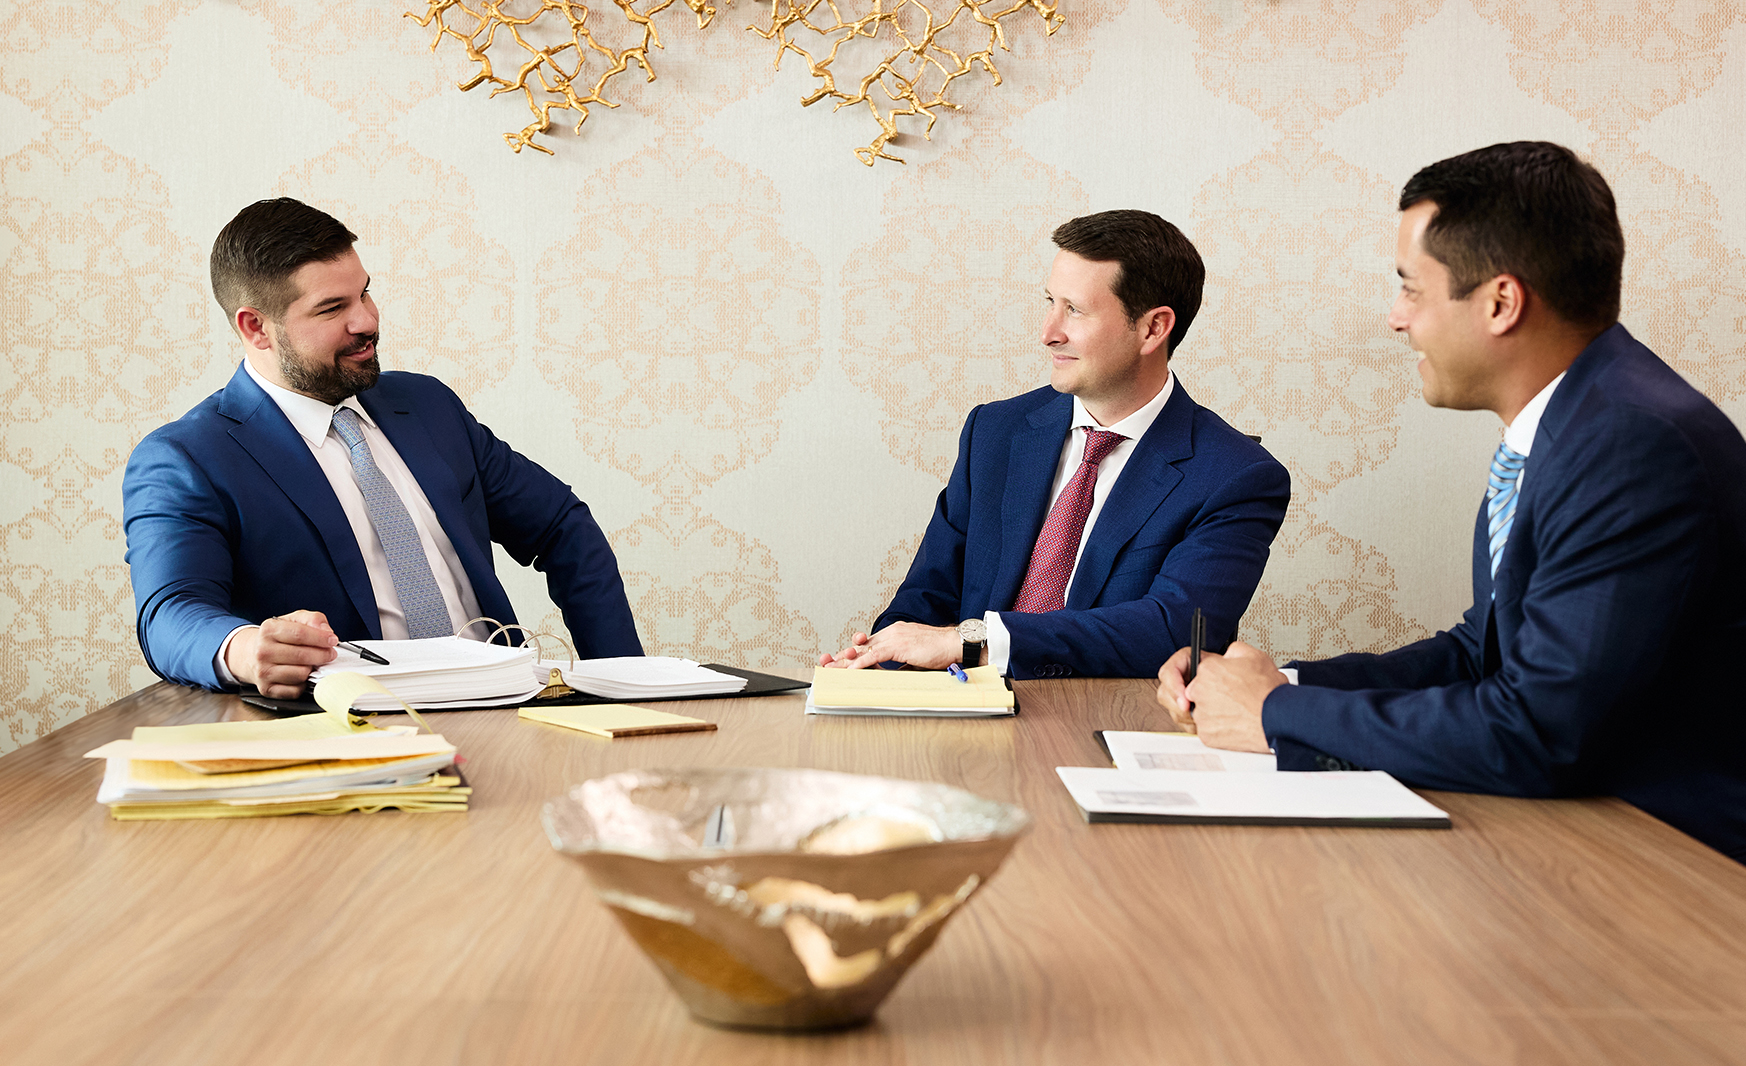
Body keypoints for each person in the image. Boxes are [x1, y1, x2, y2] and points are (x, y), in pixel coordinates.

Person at [1158, 142, 1746, 862]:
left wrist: (1276, 713)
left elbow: (1537, 731)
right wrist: (1282, 682)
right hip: (1583, 831)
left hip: (1673, 863)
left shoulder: (1628, 444)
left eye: (1411, 288)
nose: (1395, 319)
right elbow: (1483, 654)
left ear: (1500, 302)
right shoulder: (1577, 421)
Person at [124, 198, 642, 698]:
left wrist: (621, 683)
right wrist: (245, 648)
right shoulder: (186, 458)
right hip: (351, 740)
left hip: (505, 706)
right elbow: (171, 612)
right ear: (256, 327)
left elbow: (561, 525)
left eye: (364, 294)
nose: (366, 322)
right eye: (333, 309)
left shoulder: (428, 406)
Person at [822, 210, 1290, 679]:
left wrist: (970, 642)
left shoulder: (1236, 477)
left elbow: (1173, 633)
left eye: (1075, 310)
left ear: (1152, 329)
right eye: (1050, 302)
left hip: (1101, 731)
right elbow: (927, 598)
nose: (1048, 333)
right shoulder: (995, 431)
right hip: (960, 723)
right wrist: (875, 667)